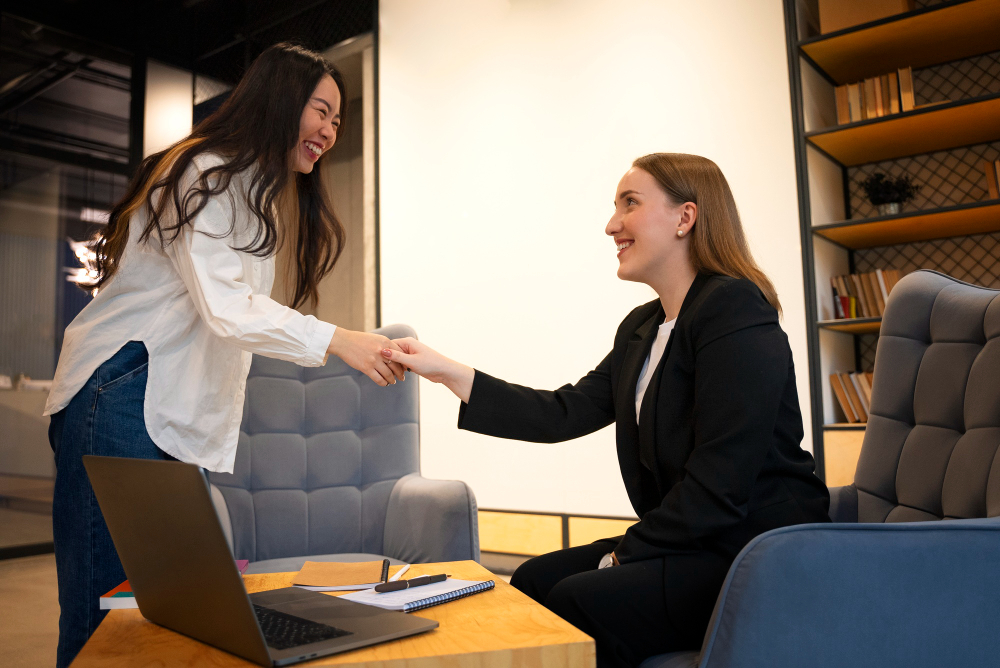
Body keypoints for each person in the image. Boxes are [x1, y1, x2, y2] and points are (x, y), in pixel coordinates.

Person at [380, 153, 831, 667]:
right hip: (696, 538)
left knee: (579, 598)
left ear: (685, 218)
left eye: (630, 204)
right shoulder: (642, 327)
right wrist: (448, 372)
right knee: (529, 580)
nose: (611, 224)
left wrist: (621, 557)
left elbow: (721, 480)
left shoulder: (735, 308)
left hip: (752, 551)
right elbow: (563, 412)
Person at [43, 43, 405, 667]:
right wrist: (340, 340)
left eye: (339, 120)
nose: (329, 130)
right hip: (123, 390)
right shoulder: (204, 171)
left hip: (161, 405)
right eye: (321, 110)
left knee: (173, 614)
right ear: (280, 99)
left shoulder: (251, 188)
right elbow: (227, 308)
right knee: (104, 617)